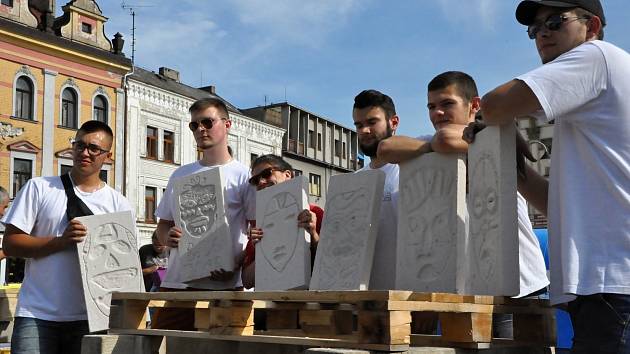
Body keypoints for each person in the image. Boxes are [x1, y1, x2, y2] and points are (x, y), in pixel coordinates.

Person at [467, 1, 630, 351]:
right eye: (534, 29)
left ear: (593, 26)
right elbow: (557, 206)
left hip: (613, 287)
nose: (542, 33)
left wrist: (494, 120)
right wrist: (512, 161)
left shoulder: (596, 57)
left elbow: (493, 105)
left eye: (555, 22)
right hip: (606, 289)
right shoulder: (591, 105)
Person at [378, 71, 549, 299]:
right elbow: (385, 148)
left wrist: (436, 145)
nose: (437, 113)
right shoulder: (431, 141)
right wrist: (430, 148)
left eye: (447, 104)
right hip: (474, 286)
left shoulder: (492, 134)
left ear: (474, 105)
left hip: (521, 283)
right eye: (431, 106)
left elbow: (448, 139)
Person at [0, 121, 132, 354]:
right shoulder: (39, 188)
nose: (85, 153)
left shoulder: (118, 203)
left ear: (108, 156)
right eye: (79, 145)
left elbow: (123, 268)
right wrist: (61, 241)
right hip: (37, 314)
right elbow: (10, 243)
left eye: (94, 148)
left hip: (91, 318)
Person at [153, 97, 255, 330]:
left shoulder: (243, 176)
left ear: (227, 124)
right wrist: (167, 238)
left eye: (207, 122)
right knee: (161, 345)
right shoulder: (180, 175)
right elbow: (163, 225)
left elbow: (257, 232)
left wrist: (236, 263)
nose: (200, 129)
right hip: (179, 284)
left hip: (225, 284)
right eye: (194, 125)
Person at [241, 154, 323, 289]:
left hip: (308, 303)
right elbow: (247, 281)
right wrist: (261, 251)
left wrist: (313, 233)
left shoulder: (315, 213)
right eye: (256, 180)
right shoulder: (260, 225)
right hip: (271, 304)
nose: (261, 182)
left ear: (287, 175)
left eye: (266, 174)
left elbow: (330, 263)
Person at [352, 89, 400, 290]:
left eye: (372, 122)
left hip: (407, 299)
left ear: (393, 122)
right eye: (359, 125)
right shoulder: (354, 182)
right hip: (363, 300)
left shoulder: (411, 170)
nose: (364, 130)